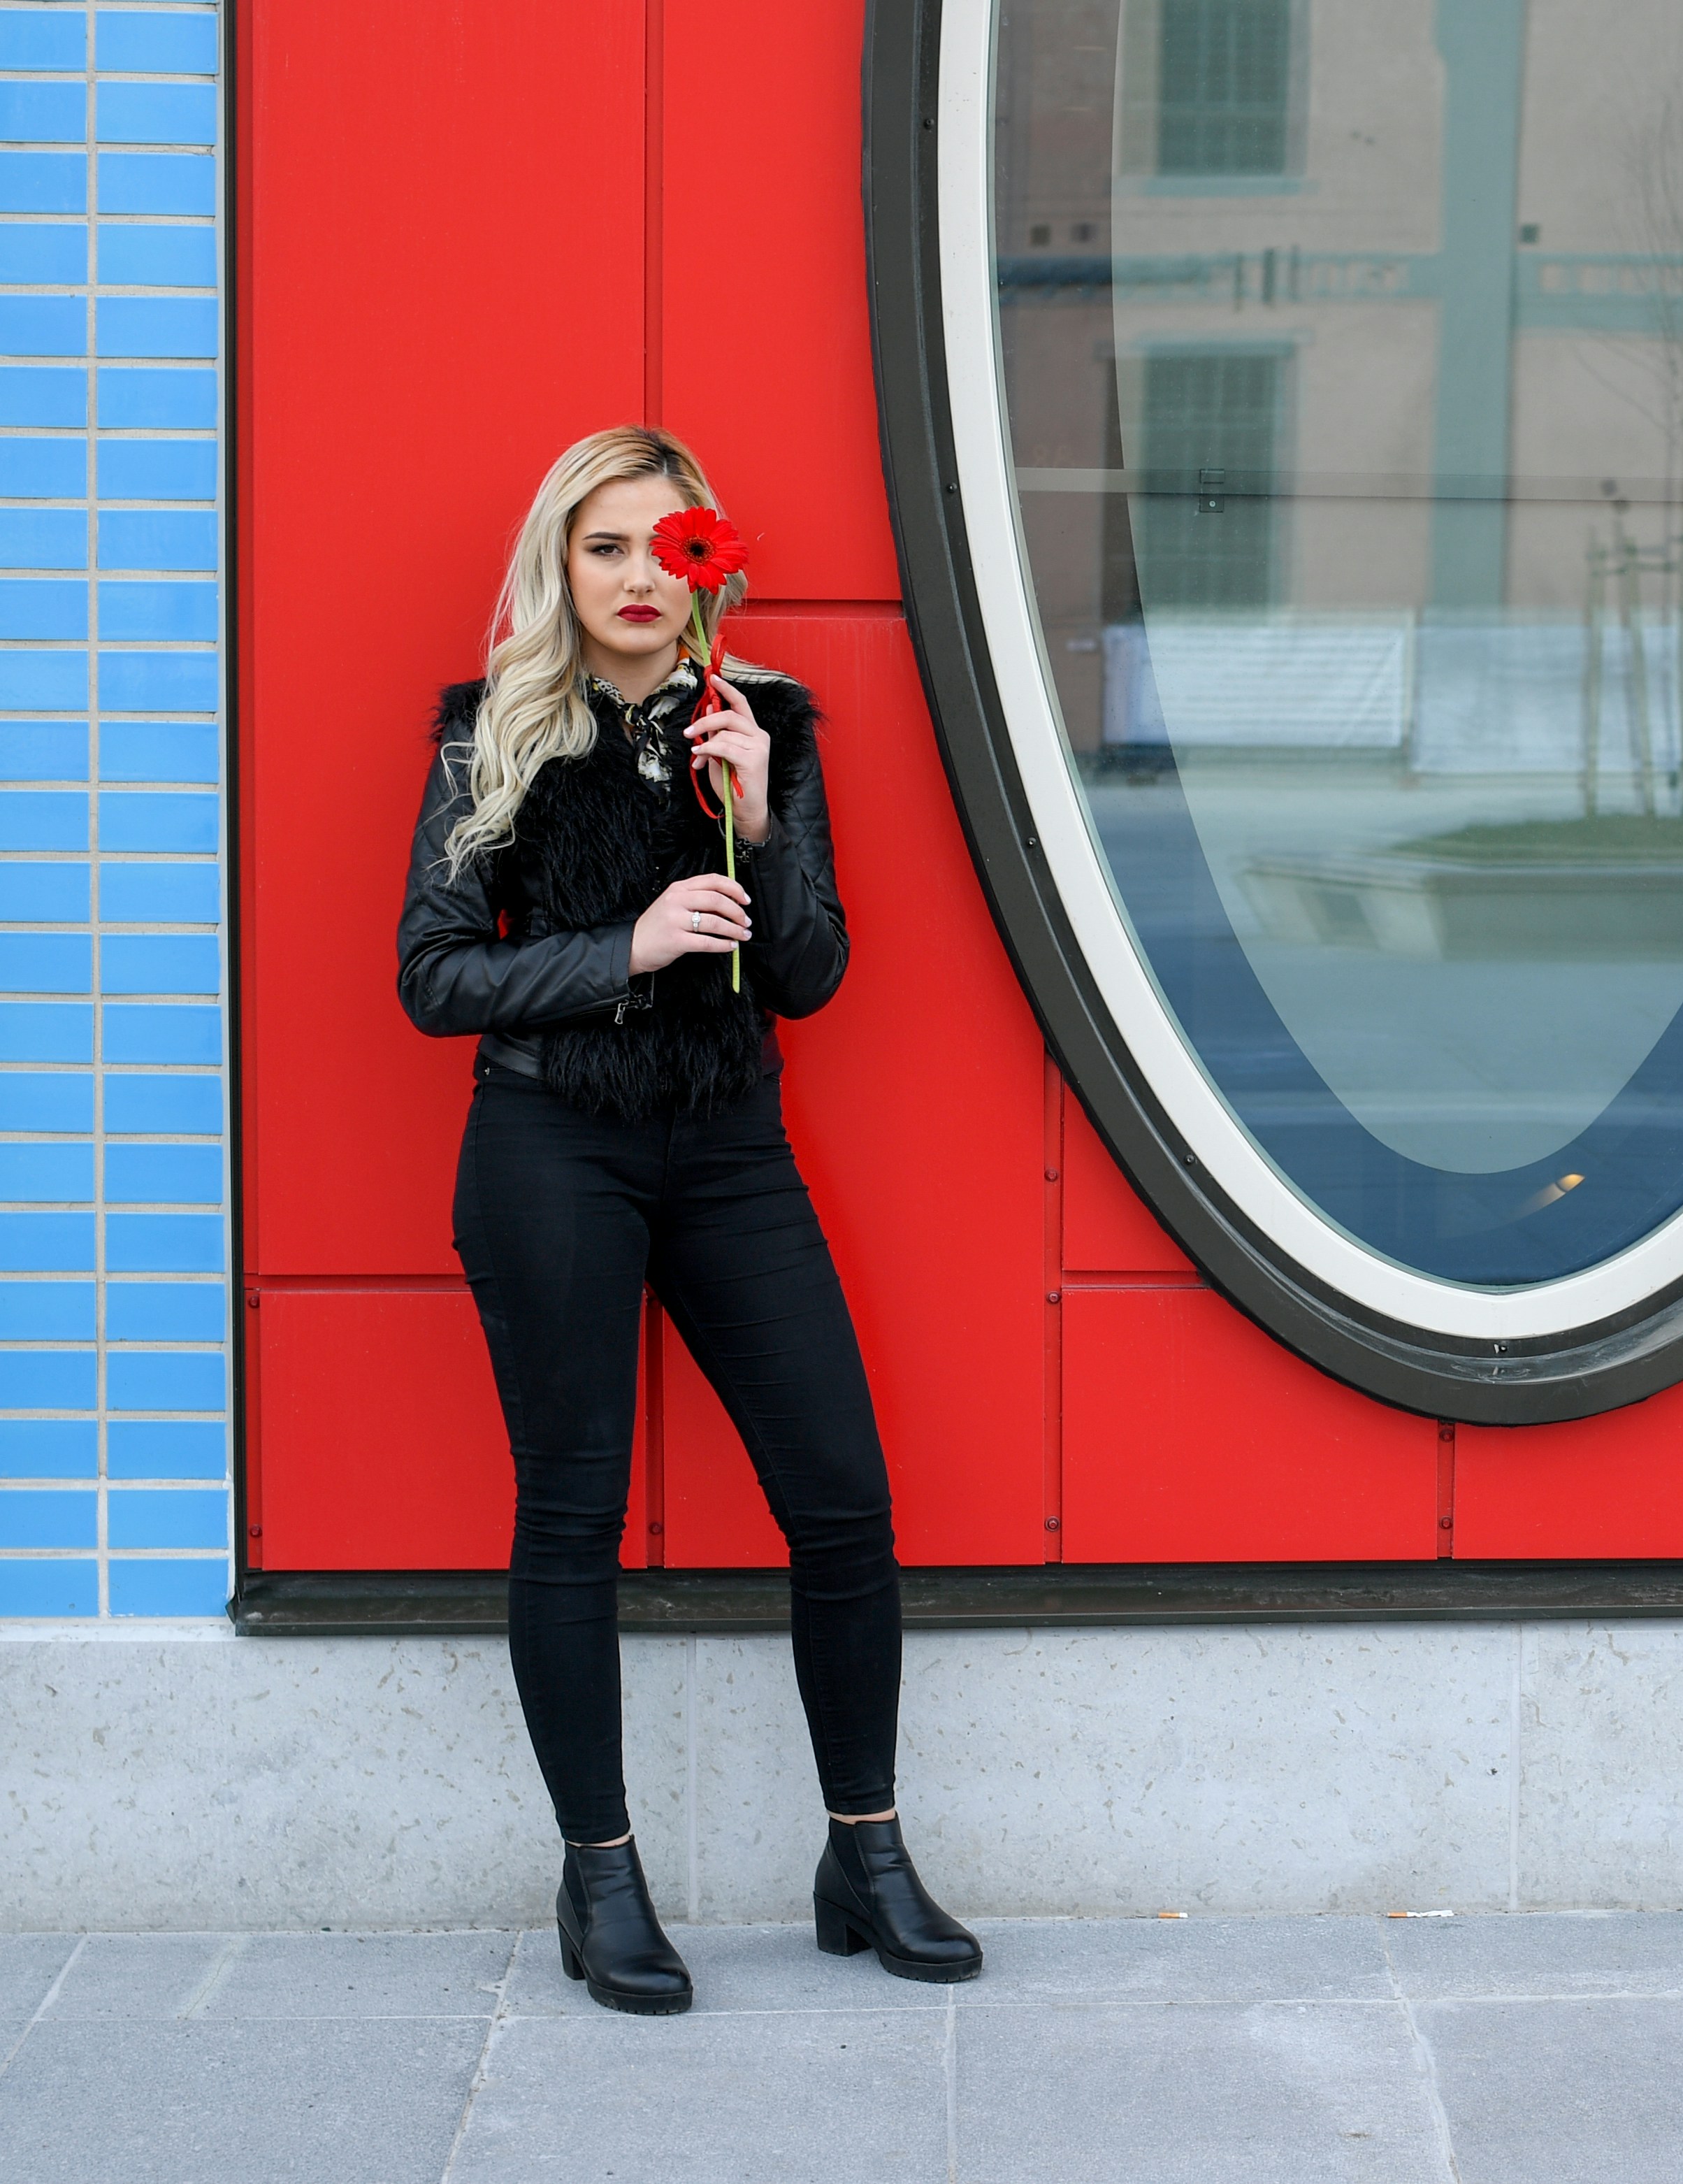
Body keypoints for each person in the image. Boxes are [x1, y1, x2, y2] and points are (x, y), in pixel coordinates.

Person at [397, 426, 979, 2013]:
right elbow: (433, 976)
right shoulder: (491, 733)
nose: (643, 575)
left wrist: (765, 811)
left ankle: (864, 1851)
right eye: (607, 546)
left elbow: (811, 974)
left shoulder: (764, 720)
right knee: (571, 1513)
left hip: (730, 1148)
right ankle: (601, 1875)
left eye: (673, 544)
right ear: (559, 565)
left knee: (843, 1500)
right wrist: (627, 944)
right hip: (549, 1147)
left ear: (711, 557)